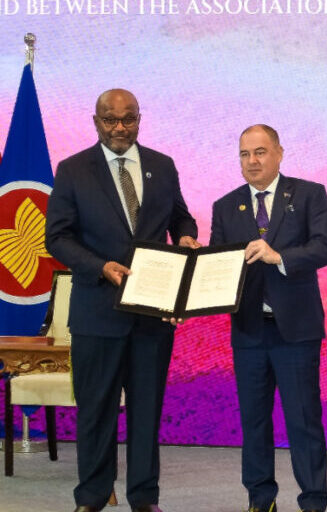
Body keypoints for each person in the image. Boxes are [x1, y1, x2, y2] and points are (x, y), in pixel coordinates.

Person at [45, 89, 199, 512]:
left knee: (147, 413)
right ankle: (92, 497)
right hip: (97, 312)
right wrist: (101, 267)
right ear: (95, 121)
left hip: (152, 314)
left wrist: (185, 234)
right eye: (110, 120)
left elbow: (180, 215)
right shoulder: (73, 170)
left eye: (127, 119)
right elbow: (57, 236)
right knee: (97, 412)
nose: (118, 128)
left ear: (139, 120)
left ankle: (144, 497)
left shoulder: (162, 167)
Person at [210, 124, 327, 512]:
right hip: (248, 331)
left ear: (280, 153)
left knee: (304, 422)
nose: (253, 161)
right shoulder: (226, 206)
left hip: (296, 331)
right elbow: (218, 266)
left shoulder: (309, 193)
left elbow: (326, 247)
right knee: (254, 423)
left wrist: (280, 257)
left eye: (261, 152)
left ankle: (313, 501)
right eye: (245, 154)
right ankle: (260, 499)